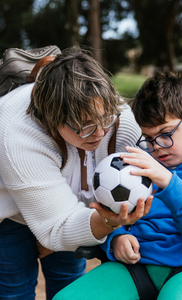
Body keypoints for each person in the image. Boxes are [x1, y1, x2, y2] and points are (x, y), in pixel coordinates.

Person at [53, 71, 182, 300]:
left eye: (165, 134)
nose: (157, 147)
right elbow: (115, 213)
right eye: (148, 138)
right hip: (136, 267)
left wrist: (170, 183)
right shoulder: (136, 165)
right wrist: (116, 238)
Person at [0, 47, 152, 300]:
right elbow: (56, 228)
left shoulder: (117, 115)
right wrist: (63, 232)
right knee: (15, 290)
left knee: (69, 282)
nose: (100, 133)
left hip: (73, 206)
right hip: (9, 212)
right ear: (52, 120)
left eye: (105, 120)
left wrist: (68, 236)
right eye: (85, 127)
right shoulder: (17, 134)